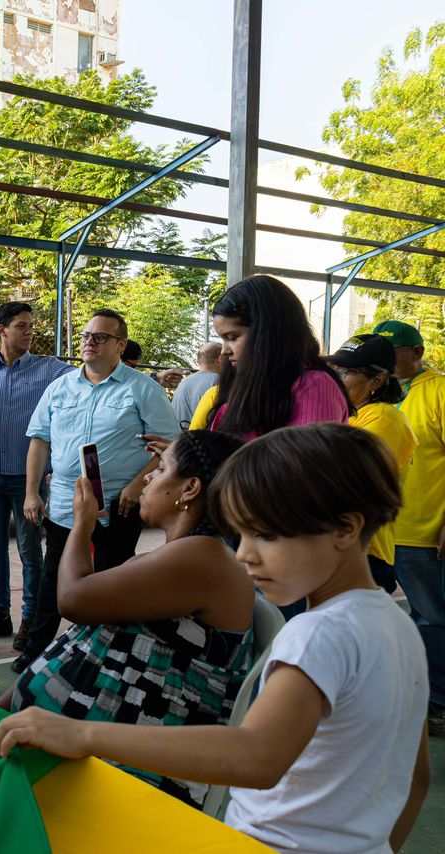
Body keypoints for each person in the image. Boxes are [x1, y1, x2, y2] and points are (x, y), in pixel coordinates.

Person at [0, 424, 431, 854]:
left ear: (345, 529)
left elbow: (257, 755)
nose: (244, 554)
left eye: (266, 534)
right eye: (242, 534)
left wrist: (83, 735)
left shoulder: (317, 632)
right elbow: (416, 779)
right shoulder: (398, 627)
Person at [0, 430, 253, 807]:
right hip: (69, 755)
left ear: (190, 488)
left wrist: (82, 525)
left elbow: (72, 599)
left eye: (161, 469)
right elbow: (81, 636)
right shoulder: (179, 556)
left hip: (129, 778)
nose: (148, 477)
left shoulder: (204, 557)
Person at [20, 309, 180, 672]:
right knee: (53, 578)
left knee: (111, 581)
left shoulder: (143, 389)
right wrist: (32, 492)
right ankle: (33, 654)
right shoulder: (59, 387)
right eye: (86, 335)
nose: (89, 342)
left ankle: (101, 657)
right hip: (66, 503)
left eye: (100, 337)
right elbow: (39, 441)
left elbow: (169, 446)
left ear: (121, 345)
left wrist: (138, 484)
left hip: (119, 504)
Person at [0, 302, 73, 655]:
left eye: (30, 325)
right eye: (21, 325)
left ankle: (30, 617)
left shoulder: (50, 369)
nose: (29, 331)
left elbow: (89, 375)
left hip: (29, 480)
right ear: (2, 330)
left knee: (29, 551)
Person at [375, 319, 445, 737]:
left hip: (422, 530)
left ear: (417, 352)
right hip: (377, 531)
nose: (385, 361)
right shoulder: (375, 392)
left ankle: (437, 700)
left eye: (393, 352)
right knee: (378, 617)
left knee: (431, 617)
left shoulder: (438, 391)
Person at [187, 275, 351, 438]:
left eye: (232, 337)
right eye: (222, 339)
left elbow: (308, 455)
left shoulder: (314, 386)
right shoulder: (251, 385)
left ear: (268, 333)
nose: (224, 351)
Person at [325, 334, 416, 595]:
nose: (337, 377)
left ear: (377, 380)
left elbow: (345, 479)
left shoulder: (384, 418)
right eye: (336, 369)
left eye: (348, 372)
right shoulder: (349, 413)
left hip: (365, 550)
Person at [171, 342, 221, 429]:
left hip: (178, 435)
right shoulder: (218, 381)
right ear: (220, 359)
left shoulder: (183, 382)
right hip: (201, 435)